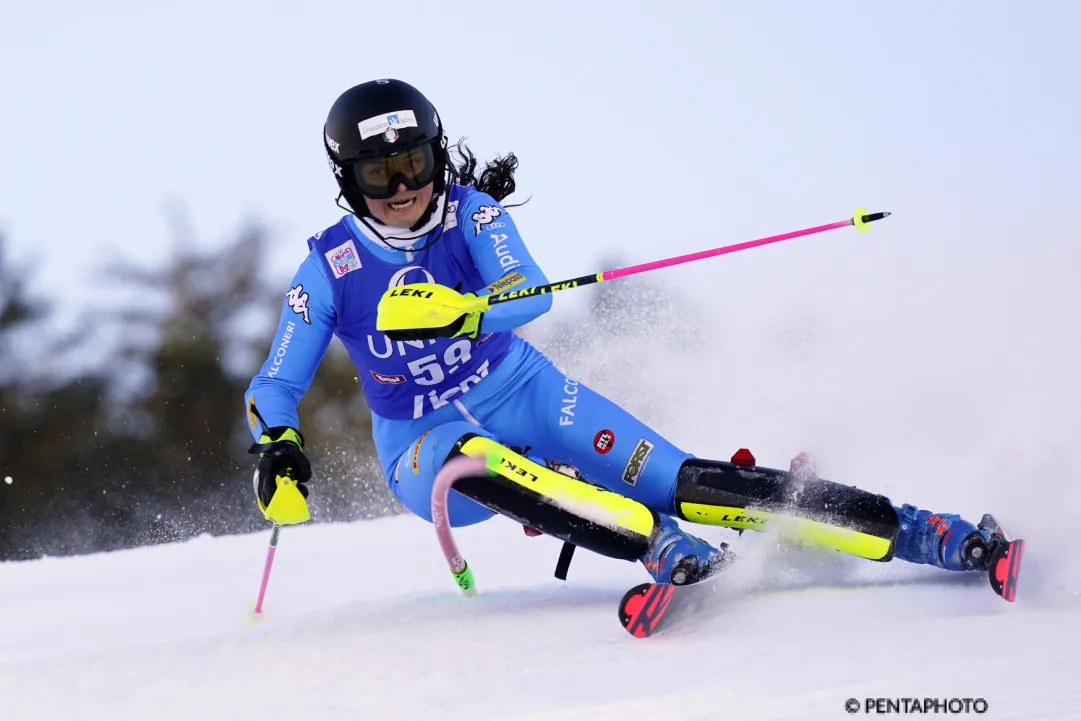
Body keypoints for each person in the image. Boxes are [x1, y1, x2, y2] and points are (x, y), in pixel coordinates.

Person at [244, 78, 1006, 587]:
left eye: (412, 162)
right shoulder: (330, 269)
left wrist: (468, 310)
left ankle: (921, 531)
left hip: (521, 387)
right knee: (475, 462)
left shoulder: (473, 212)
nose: (404, 186)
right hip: (420, 442)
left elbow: (525, 290)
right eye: (381, 175)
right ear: (349, 180)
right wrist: (278, 447)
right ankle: (654, 541)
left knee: (681, 478)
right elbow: (277, 382)